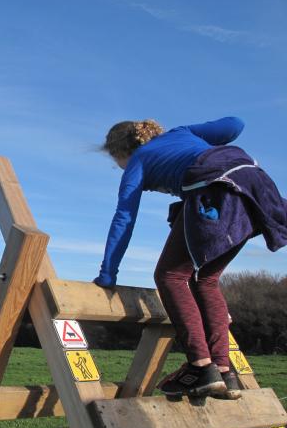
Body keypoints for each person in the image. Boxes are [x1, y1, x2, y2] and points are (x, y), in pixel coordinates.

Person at [94, 117, 287, 398]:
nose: (117, 166)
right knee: (206, 280)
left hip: (217, 186)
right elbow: (235, 124)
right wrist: (203, 146)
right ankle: (223, 371)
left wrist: (108, 273)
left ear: (122, 151)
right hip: (258, 192)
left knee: (170, 276)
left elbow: (124, 217)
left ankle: (199, 365)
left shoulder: (139, 160)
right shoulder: (181, 133)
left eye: (115, 160)